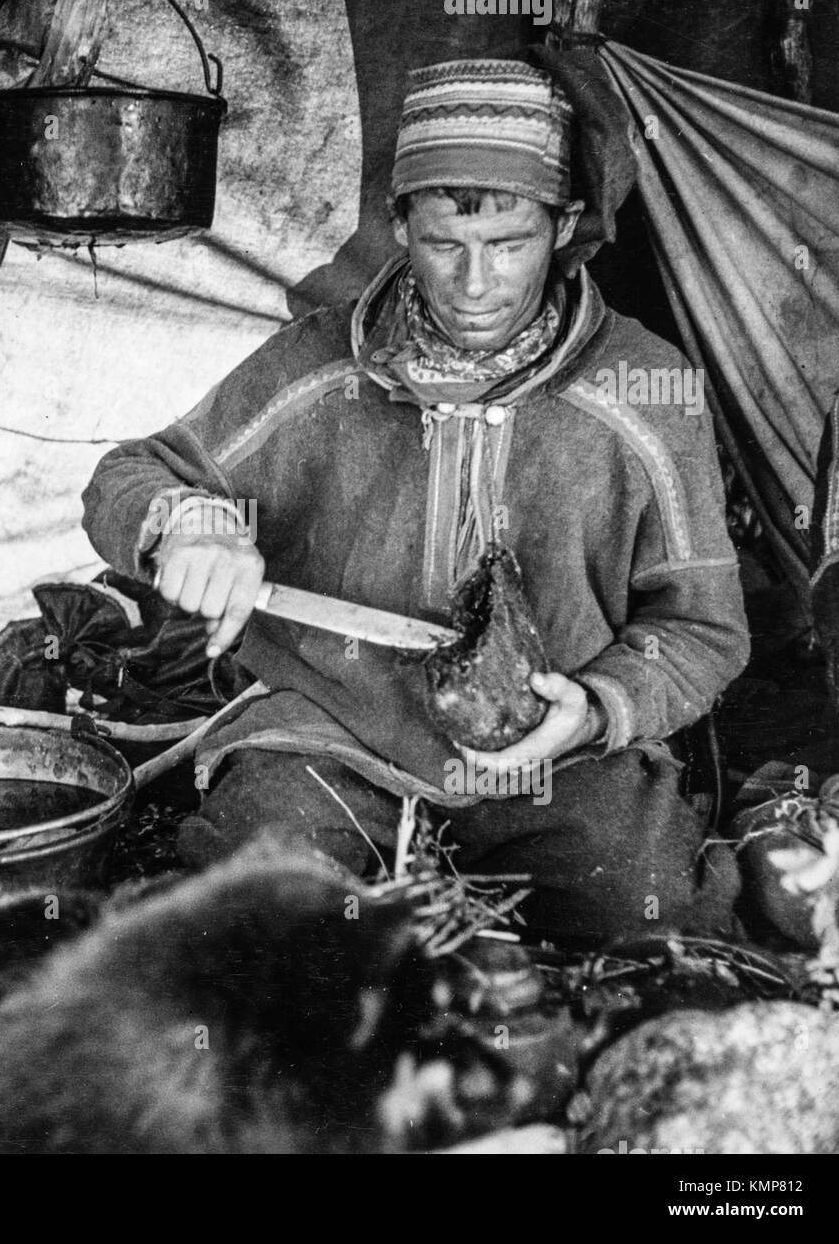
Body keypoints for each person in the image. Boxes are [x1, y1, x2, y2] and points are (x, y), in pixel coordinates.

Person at [82, 57, 755, 946]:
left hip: (554, 752)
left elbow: (704, 630)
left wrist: (595, 707)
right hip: (330, 728)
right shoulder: (316, 369)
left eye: (510, 244)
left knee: (656, 913)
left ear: (563, 228)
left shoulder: (645, 394)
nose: (477, 284)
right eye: (446, 243)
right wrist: (190, 521)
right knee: (249, 920)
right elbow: (130, 473)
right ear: (399, 224)